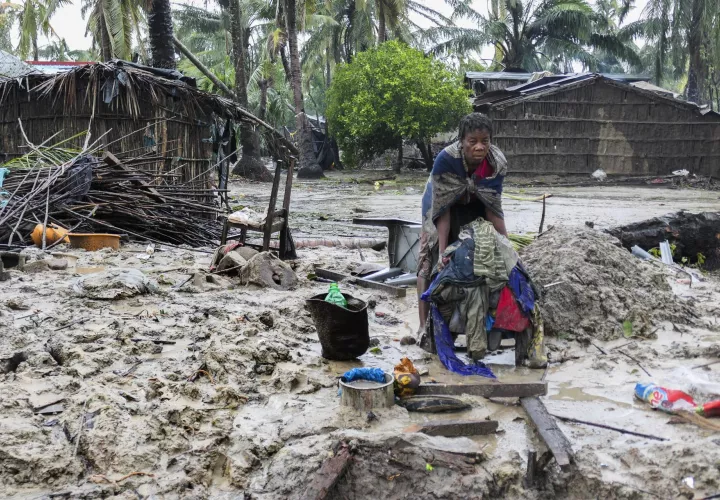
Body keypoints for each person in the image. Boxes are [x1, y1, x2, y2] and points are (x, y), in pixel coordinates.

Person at [416, 113, 508, 332]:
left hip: (476, 201)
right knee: (428, 259)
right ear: (462, 141)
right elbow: (443, 210)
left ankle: (475, 321)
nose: (479, 147)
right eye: (472, 141)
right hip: (439, 201)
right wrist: (442, 253)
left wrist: (507, 246)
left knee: (481, 252)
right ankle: (423, 327)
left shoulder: (496, 164)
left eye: (484, 141)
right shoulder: (446, 161)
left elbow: (493, 208)